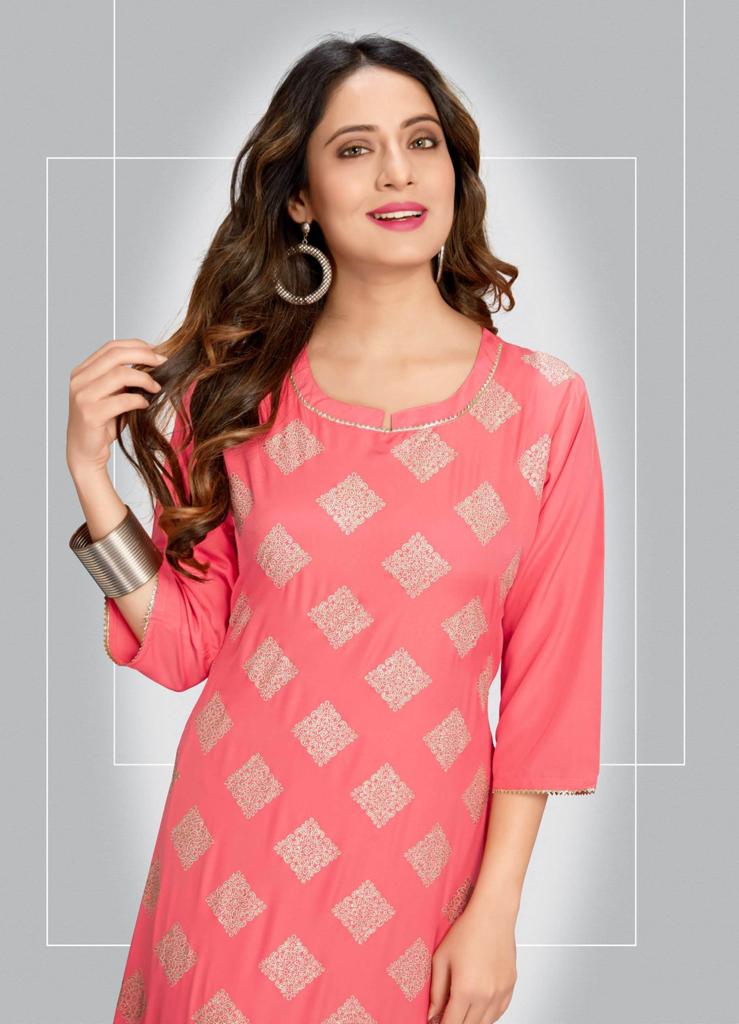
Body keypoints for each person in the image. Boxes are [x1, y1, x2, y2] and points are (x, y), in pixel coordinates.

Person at [66, 33, 605, 1024]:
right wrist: (93, 483)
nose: (398, 171)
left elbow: (550, 689)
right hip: (232, 855)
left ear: (454, 170)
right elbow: (184, 644)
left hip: (420, 872)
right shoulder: (236, 395)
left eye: (421, 141)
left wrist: (496, 910)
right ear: (300, 197)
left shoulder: (541, 406)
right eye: (355, 148)